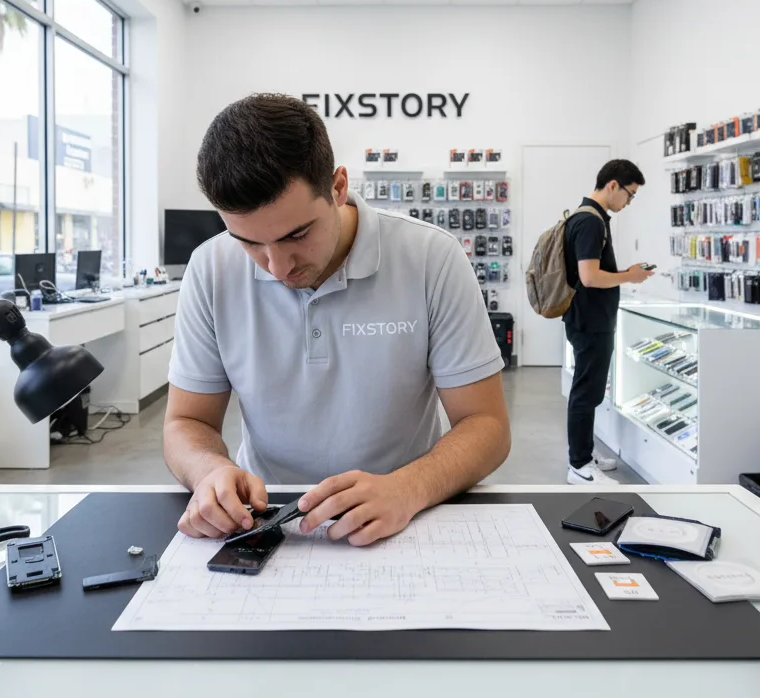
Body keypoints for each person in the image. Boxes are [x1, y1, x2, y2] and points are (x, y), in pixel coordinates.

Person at [164, 94, 510, 547]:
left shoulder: (431, 258)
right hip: (267, 523)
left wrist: (410, 487)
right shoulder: (210, 268)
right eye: (249, 242)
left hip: (403, 516)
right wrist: (209, 470)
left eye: (298, 234)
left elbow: (487, 424)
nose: (277, 266)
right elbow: (185, 422)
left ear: (338, 186)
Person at [563, 159, 653, 485]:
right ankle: (579, 465)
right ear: (612, 185)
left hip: (588, 319)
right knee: (586, 392)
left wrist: (626, 273)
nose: (628, 203)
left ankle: (582, 452)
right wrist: (629, 276)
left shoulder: (590, 216)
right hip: (590, 321)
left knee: (588, 391)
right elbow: (589, 277)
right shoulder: (591, 222)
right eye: (629, 194)